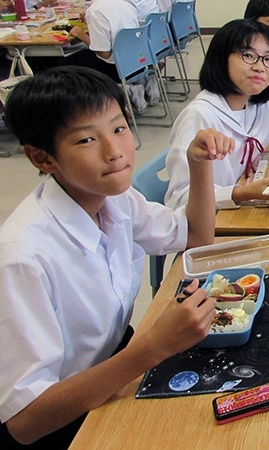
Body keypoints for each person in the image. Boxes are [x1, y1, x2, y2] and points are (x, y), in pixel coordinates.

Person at [0, 66, 233, 449]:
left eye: (119, 128)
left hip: (116, 366)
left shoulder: (113, 199)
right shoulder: (24, 256)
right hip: (65, 420)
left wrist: (200, 164)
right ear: (43, 158)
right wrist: (153, 346)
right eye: (87, 140)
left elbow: (196, 237)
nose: (115, 152)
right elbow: (25, 422)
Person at [165, 18, 269, 210]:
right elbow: (179, 198)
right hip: (212, 225)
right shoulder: (199, 115)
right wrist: (241, 193)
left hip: (239, 210)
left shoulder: (258, 107)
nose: (259, 67)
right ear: (221, 57)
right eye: (248, 55)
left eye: (267, 59)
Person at [67, 0, 139, 84]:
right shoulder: (122, 3)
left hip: (115, 69)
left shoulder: (95, 10)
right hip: (136, 63)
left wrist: (82, 35)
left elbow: (104, 53)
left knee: (65, 61)